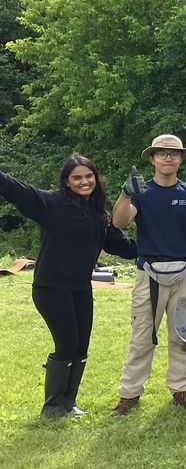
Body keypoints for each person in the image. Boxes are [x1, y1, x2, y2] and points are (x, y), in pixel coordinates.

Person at [1, 155, 138, 417]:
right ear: (67, 181)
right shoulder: (50, 204)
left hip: (80, 289)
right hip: (51, 287)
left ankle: (69, 402)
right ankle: (53, 406)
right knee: (67, 344)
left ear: (95, 179)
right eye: (77, 177)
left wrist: (157, 249)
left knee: (81, 346)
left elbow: (120, 245)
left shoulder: (98, 212)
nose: (84, 181)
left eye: (89, 176)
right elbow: (13, 187)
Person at [110, 134, 186, 415]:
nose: (168, 157)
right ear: (152, 158)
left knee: (184, 337)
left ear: (181, 159)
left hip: (185, 274)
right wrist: (125, 194)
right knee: (142, 337)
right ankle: (129, 396)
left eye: (174, 153)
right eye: (162, 153)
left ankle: (182, 390)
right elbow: (119, 221)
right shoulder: (141, 193)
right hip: (150, 275)